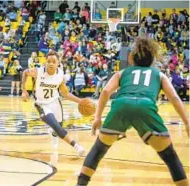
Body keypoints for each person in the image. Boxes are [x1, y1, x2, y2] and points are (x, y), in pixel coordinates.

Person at [76, 37, 189, 186]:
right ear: (152, 59)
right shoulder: (159, 75)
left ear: (131, 58)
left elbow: (105, 92)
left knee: (98, 150)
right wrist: (187, 123)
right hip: (146, 107)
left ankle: (80, 184)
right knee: (170, 157)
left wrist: (98, 117)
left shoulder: (122, 73)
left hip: (121, 105)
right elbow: (174, 97)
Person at [21, 51, 85, 156]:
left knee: (58, 127)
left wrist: (80, 101)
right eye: (48, 61)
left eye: (53, 61)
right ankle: (76, 146)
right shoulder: (38, 71)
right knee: (57, 127)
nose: (51, 63)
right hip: (41, 103)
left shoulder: (60, 74)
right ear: (45, 62)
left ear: (58, 63)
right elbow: (25, 73)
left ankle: (54, 133)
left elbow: (65, 93)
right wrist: (23, 90)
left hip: (55, 102)